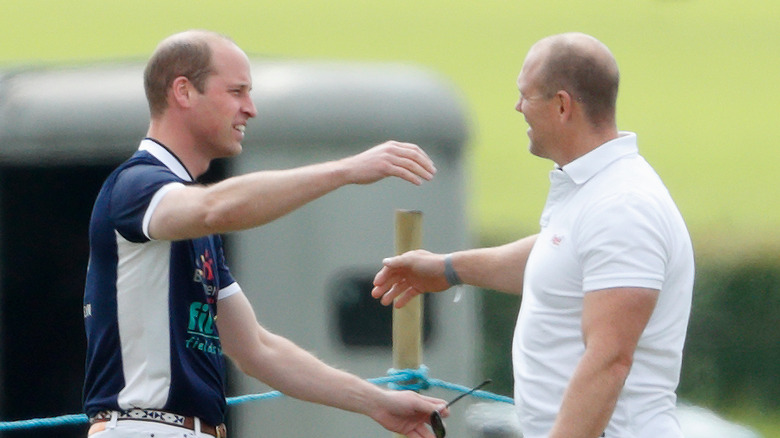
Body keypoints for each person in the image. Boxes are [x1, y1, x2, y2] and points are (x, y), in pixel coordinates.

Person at [82, 29, 448, 438]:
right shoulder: (137, 186)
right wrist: (345, 171)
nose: (250, 109)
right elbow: (214, 208)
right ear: (183, 91)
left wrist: (380, 404)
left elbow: (257, 349)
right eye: (236, 91)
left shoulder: (186, 219)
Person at [371, 32, 694, 438]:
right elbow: (557, 257)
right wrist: (447, 268)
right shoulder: (596, 191)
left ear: (562, 105)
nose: (518, 107)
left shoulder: (622, 206)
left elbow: (609, 360)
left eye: (526, 95)